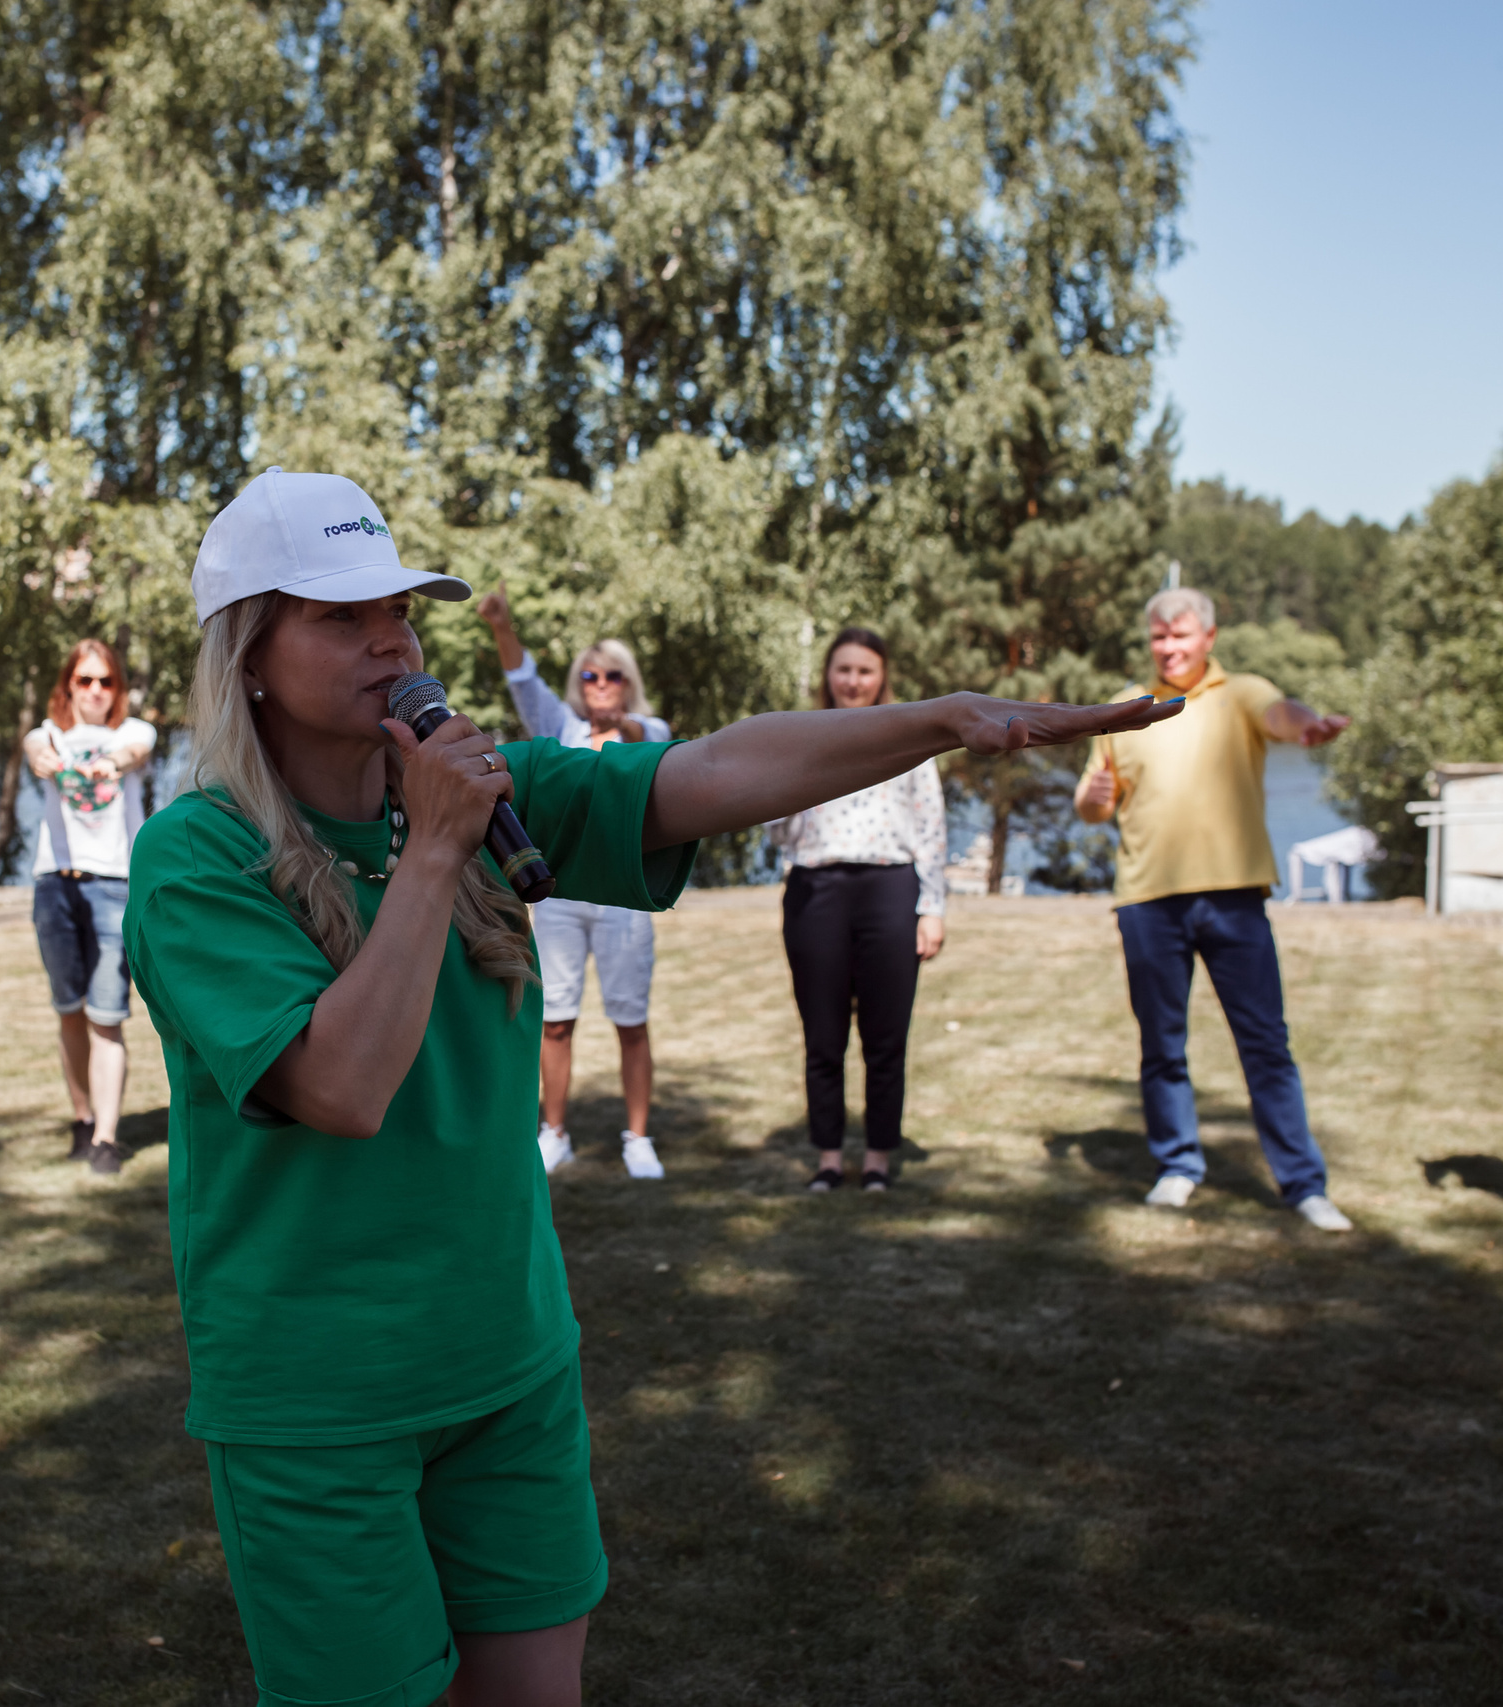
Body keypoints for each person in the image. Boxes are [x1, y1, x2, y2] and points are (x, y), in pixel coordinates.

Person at [123, 467, 1179, 1707]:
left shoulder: (489, 793)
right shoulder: (197, 856)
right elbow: (344, 1088)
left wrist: (941, 721)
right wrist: (437, 851)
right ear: (249, 653)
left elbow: (718, 771)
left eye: (398, 611)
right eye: (340, 617)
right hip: (318, 1399)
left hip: (507, 1362)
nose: (391, 642)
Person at [1073, 586, 1355, 1232]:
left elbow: (1282, 714)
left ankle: (1303, 1184)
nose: (1169, 647)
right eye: (1159, 637)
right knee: (1161, 1043)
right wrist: (1092, 796)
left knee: (1266, 1044)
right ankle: (1176, 1165)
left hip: (1234, 897)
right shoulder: (1125, 707)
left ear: (1209, 637)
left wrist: (1308, 725)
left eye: (1180, 635)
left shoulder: (1242, 693)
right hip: (1148, 899)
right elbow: (1094, 805)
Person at [477, 588, 669, 1178]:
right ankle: (553, 1132)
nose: (600, 684)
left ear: (628, 682)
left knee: (630, 1019)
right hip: (559, 895)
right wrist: (502, 626)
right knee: (555, 1019)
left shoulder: (649, 731)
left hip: (624, 901)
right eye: (590, 675)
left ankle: (638, 1139)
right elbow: (522, 681)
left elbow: (652, 741)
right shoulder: (560, 726)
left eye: (612, 675)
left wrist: (622, 726)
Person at [772, 629, 947, 1193]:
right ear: (828, 675)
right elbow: (775, 826)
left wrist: (932, 908)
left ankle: (876, 1160)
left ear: (882, 676)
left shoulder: (908, 735)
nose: (853, 681)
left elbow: (931, 826)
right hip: (816, 890)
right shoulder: (802, 736)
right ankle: (828, 1158)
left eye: (865, 670)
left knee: (885, 1036)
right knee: (823, 1035)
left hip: (890, 889)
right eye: (843, 669)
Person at [24, 638, 157, 1175]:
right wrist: (44, 757)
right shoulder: (49, 734)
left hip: (114, 886)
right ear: (68, 687)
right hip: (55, 884)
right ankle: (82, 1119)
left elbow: (135, 753)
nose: (96, 690)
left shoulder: (132, 732)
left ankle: (106, 1137)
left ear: (118, 689)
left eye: (106, 681)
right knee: (69, 1011)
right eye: (85, 680)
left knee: (106, 1014)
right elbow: (35, 750)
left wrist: (110, 763)